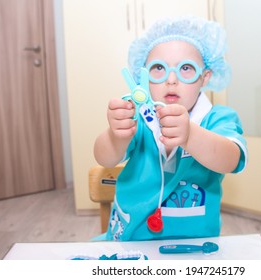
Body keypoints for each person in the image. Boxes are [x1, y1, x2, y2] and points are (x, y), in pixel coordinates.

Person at [93, 16, 248, 241]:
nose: (171, 79)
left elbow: (232, 160)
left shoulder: (218, 118)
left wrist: (190, 135)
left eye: (186, 68)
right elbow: (104, 158)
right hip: (132, 239)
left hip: (195, 244)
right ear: (142, 76)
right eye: (159, 68)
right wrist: (116, 134)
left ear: (205, 77)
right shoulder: (139, 117)